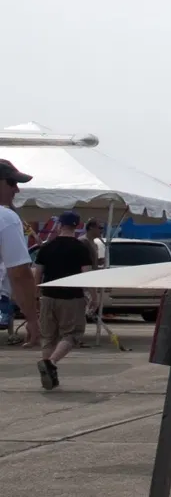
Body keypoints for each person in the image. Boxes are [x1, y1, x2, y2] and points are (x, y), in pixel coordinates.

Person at [33, 211, 95, 389]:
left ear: (59, 225)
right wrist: (94, 296)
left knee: (48, 337)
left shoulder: (47, 247)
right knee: (72, 334)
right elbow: (86, 274)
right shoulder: (81, 248)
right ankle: (51, 362)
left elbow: (38, 272)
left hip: (47, 296)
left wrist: (36, 295)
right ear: (77, 226)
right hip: (71, 297)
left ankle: (49, 375)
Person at [0, 160, 41, 350]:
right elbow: (19, 273)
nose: (16, 190)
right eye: (12, 183)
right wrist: (32, 319)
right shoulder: (6, 218)